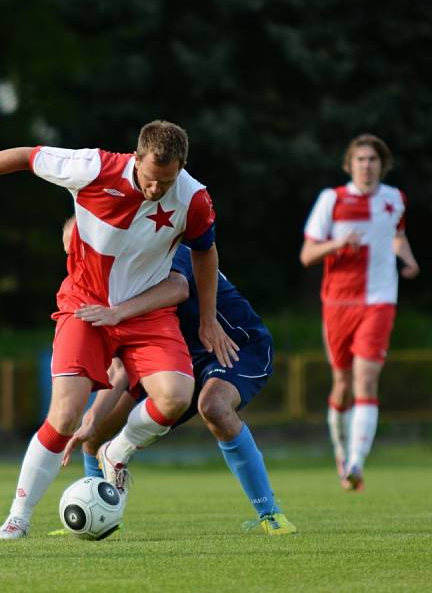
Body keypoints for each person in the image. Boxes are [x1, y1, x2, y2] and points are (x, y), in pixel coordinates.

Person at [0, 120, 238, 539]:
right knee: (63, 415)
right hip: (85, 305)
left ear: (182, 167)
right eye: (151, 180)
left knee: (174, 399)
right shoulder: (92, 168)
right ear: (136, 158)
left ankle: (117, 450)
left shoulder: (194, 198)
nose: (156, 190)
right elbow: (25, 156)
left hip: (145, 312)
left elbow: (206, 254)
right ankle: (18, 518)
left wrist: (207, 318)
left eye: (166, 182)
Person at [59, 215, 296, 535]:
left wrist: (117, 313)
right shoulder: (106, 288)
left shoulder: (155, 249)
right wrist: (89, 422)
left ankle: (270, 514)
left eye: (83, 248)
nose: (79, 259)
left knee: (213, 406)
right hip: (176, 364)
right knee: (97, 430)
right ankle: (101, 516)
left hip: (237, 347)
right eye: (70, 253)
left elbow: (179, 286)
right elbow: (120, 369)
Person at [300, 134, 418, 492]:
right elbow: (307, 255)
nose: (367, 165)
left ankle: (356, 463)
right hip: (338, 303)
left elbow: (396, 234)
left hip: (380, 299)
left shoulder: (395, 199)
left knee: (366, 380)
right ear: (349, 165)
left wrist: (407, 258)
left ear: (383, 164)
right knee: (342, 385)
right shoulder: (330, 200)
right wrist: (337, 243)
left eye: (373, 159)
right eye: (360, 159)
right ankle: (342, 452)